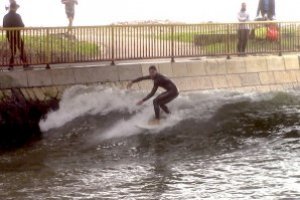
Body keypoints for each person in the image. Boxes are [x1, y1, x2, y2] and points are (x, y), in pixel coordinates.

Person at [3, 2, 29, 70]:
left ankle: (11, 65)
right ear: (15, 8)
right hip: (17, 35)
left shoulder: (5, 16)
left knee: (13, 50)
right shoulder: (17, 16)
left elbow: (4, 26)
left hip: (9, 36)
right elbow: (22, 25)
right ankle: (25, 64)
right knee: (21, 49)